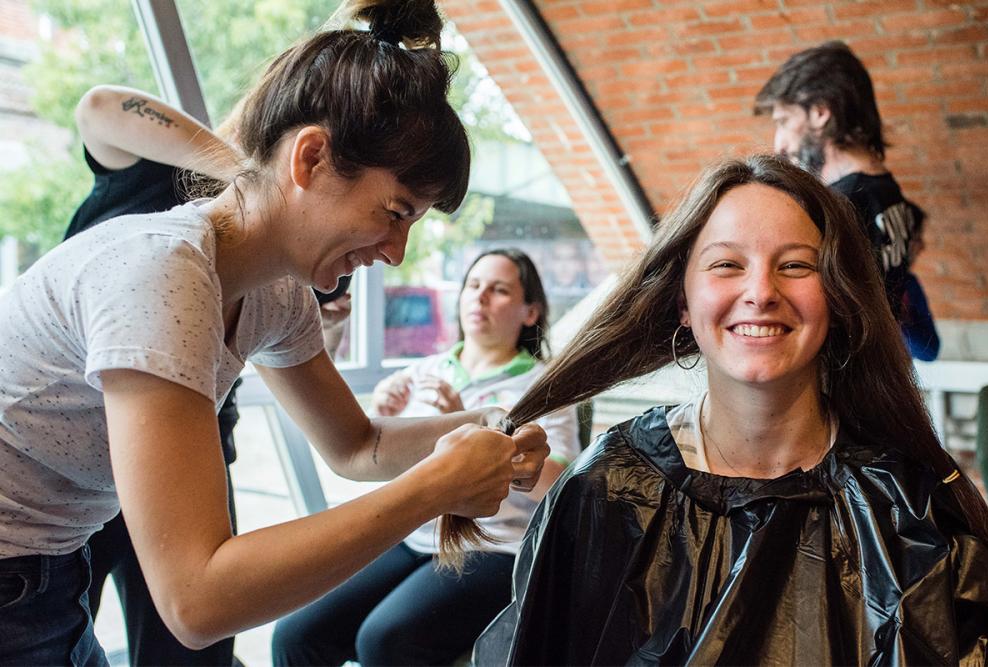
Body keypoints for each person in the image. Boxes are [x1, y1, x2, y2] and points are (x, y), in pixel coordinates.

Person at [0, 2, 549, 664]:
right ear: (311, 156)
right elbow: (197, 600)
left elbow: (358, 444)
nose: (398, 252)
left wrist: (488, 429)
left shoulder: (277, 294)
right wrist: (434, 486)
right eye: (396, 212)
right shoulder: (162, 273)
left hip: (53, 571)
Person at [476, 155, 988, 665]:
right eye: (727, 264)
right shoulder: (608, 490)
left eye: (794, 265)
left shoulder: (907, 509)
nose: (761, 292)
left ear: (837, 297)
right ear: (683, 301)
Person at [271, 248, 580, 666]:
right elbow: (365, 448)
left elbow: (560, 487)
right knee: (296, 633)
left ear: (529, 312)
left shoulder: (545, 387)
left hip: (492, 547)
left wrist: (475, 432)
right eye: (473, 285)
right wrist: (384, 413)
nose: (480, 297)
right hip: (413, 532)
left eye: (499, 289)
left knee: (385, 640)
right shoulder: (423, 371)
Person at [69, 83, 246, 667]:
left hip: (192, 455)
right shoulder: (154, 172)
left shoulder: (293, 237)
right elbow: (98, 107)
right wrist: (246, 172)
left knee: (194, 649)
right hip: (70, 459)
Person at [755, 41, 919, 317]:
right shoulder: (885, 187)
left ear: (820, 112)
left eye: (783, 121)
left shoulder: (843, 204)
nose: (779, 144)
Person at [900, 204, 940, 361]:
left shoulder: (909, 284)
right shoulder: (869, 288)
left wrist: (896, 325)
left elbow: (930, 351)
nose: (922, 246)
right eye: (917, 238)